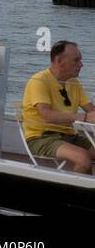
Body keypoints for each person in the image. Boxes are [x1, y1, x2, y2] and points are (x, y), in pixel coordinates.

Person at [22, 40, 95, 173]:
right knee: (83, 158)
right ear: (59, 61)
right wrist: (84, 117)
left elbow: (91, 111)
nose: (81, 64)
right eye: (76, 60)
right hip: (41, 137)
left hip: (69, 136)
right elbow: (46, 115)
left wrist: (90, 115)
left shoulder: (74, 83)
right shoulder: (39, 80)